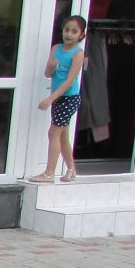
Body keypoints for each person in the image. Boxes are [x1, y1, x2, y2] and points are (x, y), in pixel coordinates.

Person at [23, 14, 87, 184]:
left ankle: (49, 173)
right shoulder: (56, 48)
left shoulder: (78, 54)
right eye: (67, 30)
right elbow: (48, 73)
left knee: (53, 133)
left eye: (74, 31)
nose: (69, 34)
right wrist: (51, 67)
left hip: (69, 98)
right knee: (62, 136)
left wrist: (50, 99)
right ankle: (71, 170)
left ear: (81, 35)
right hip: (58, 98)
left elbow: (69, 81)